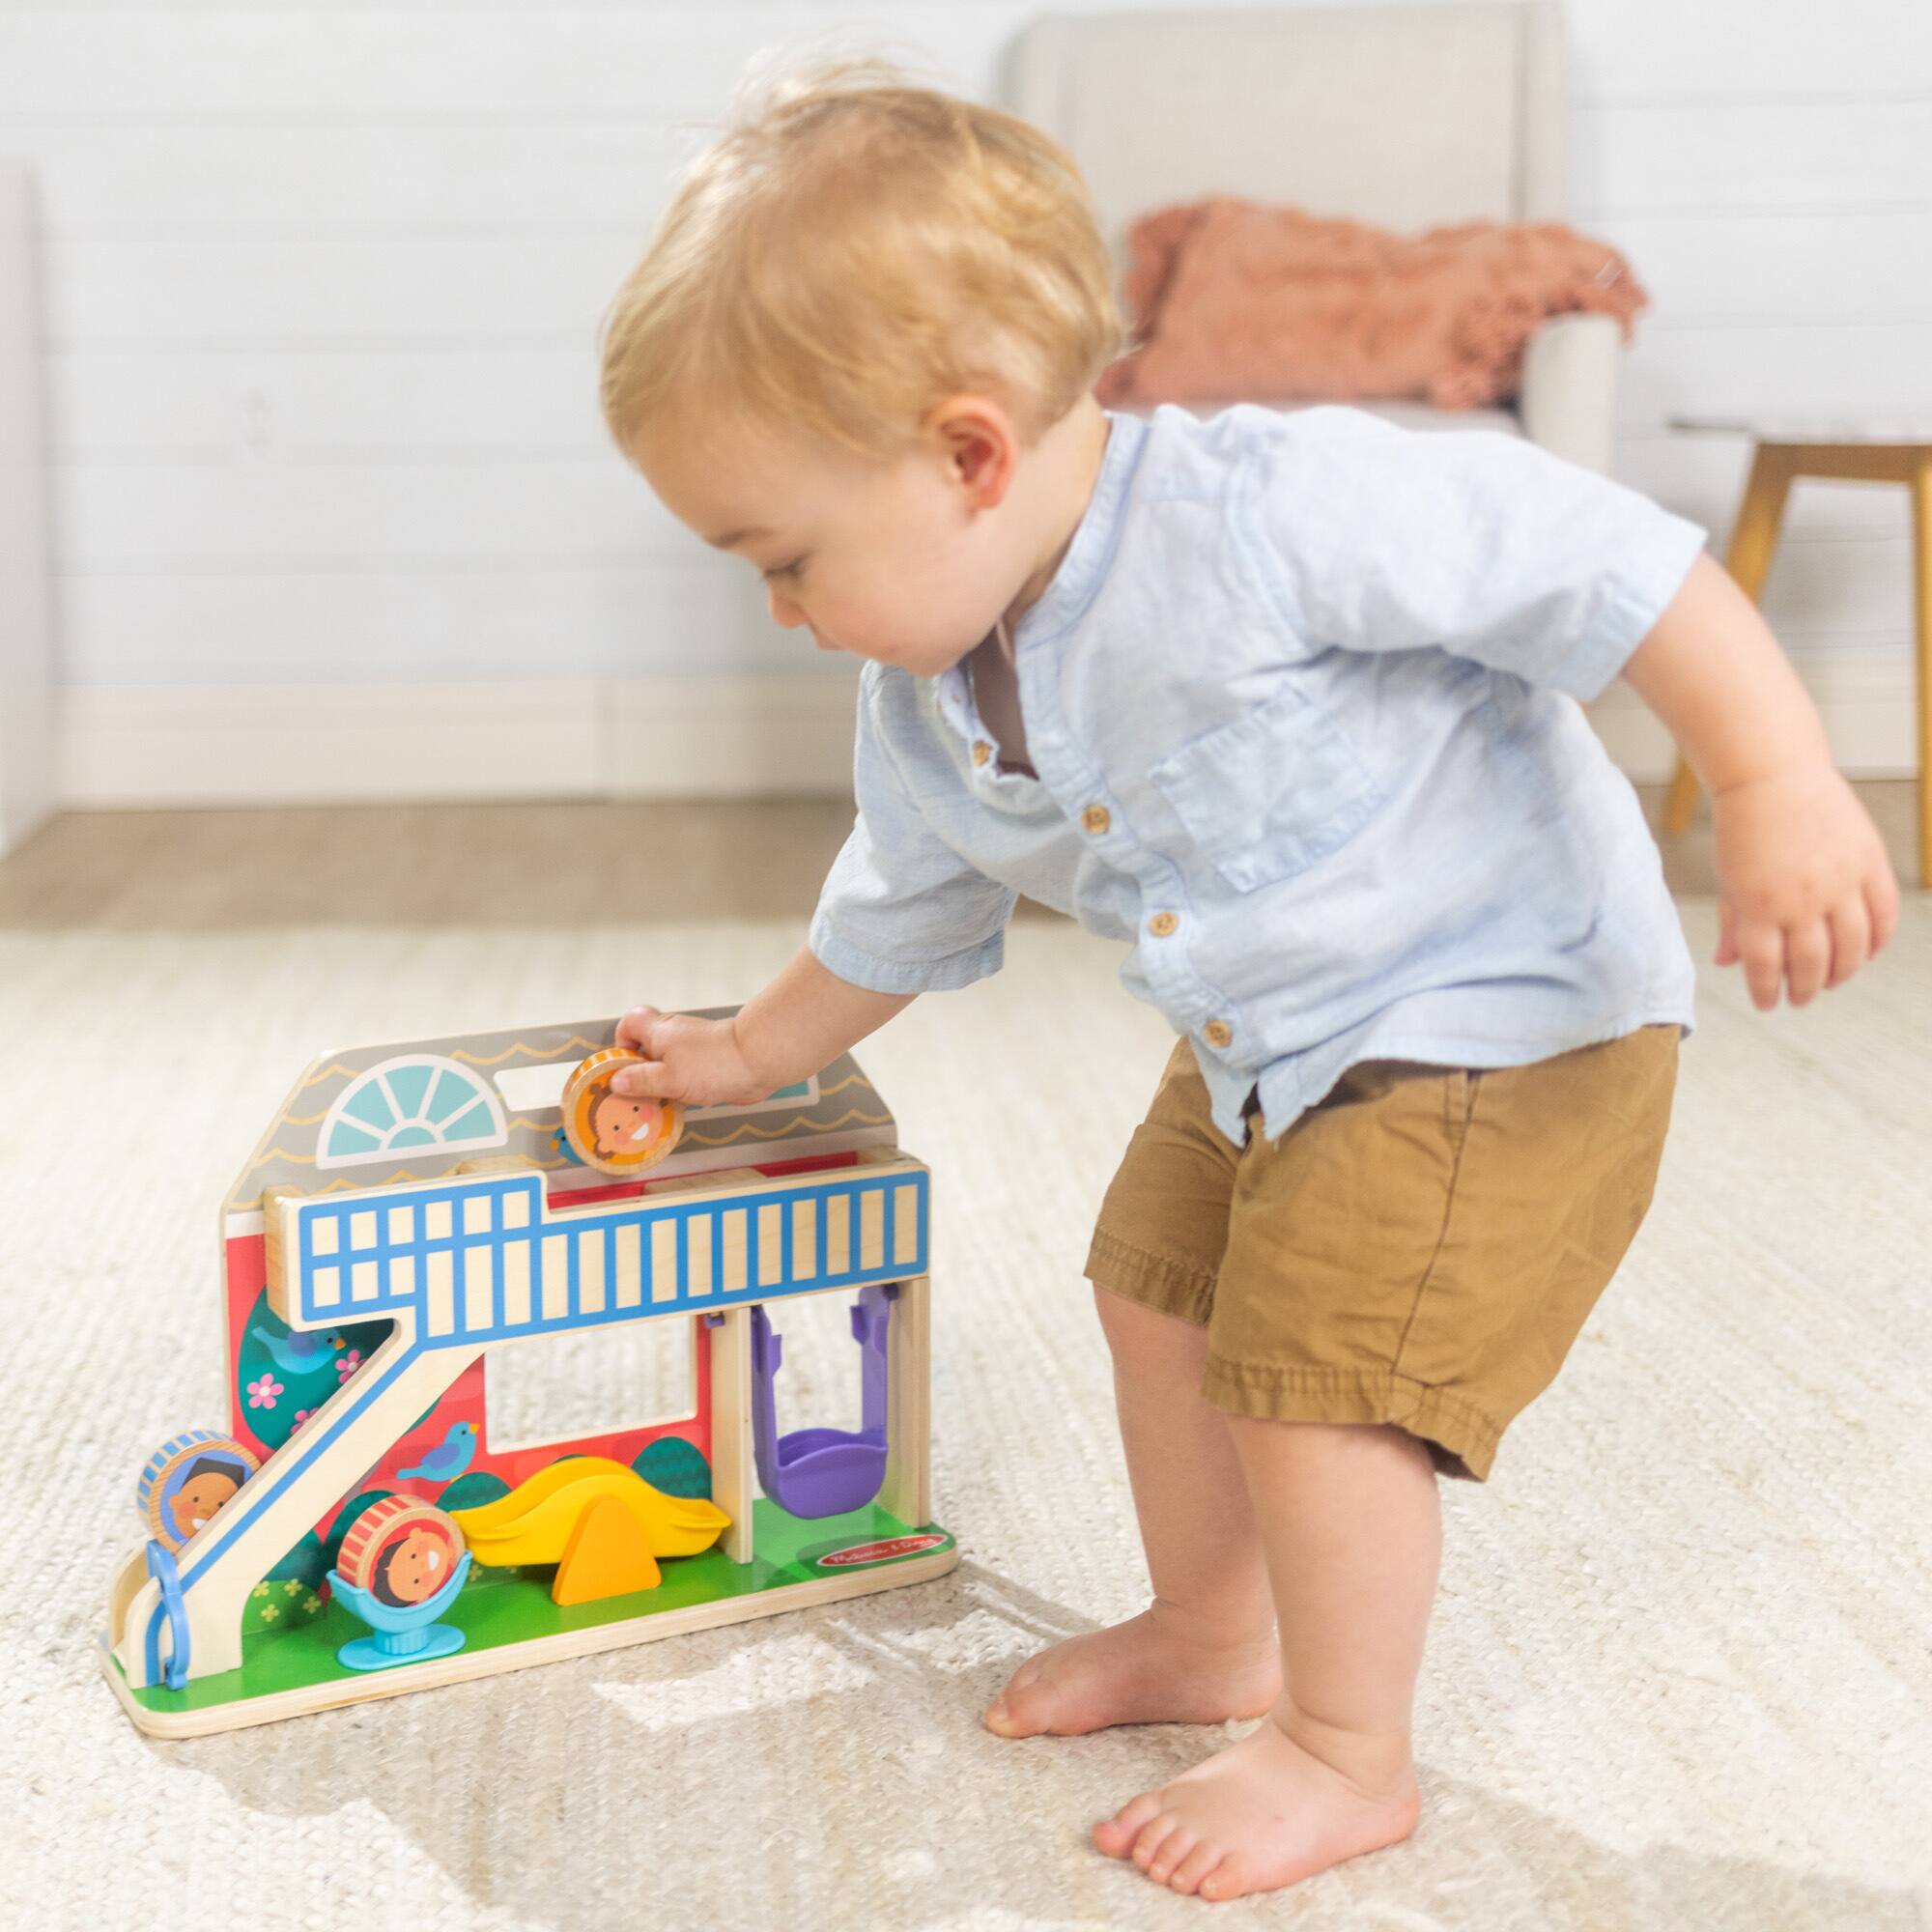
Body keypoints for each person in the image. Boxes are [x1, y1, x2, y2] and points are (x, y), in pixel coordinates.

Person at [593, 60, 1899, 1902]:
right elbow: (894, 906)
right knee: (1158, 1293)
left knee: (1315, 1378)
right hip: (1268, 1041)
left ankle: (1347, 1751)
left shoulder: (1274, 508)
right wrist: (745, 1049)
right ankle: (1216, 1636)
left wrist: (1771, 783)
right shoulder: (926, 695)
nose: (784, 611)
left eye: (786, 559)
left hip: (1497, 1016)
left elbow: (1606, 566)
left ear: (969, 453)